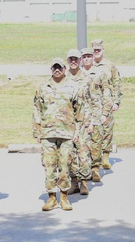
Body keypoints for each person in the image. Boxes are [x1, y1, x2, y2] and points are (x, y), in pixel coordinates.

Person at [33, 58, 86, 211]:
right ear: (51, 69)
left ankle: (64, 197)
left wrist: (78, 132)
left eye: (60, 68)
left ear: (64, 69)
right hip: (47, 134)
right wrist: (37, 131)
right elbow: (37, 110)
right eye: (54, 68)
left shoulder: (73, 87)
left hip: (67, 133)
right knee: (49, 166)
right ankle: (51, 198)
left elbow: (80, 111)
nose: (57, 70)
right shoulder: (43, 87)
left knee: (64, 166)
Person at [63, 49, 96, 196]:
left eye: (76, 59)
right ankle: (74, 182)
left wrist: (92, 121)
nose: (74, 61)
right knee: (69, 153)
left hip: (84, 121)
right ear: (67, 61)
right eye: (71, 59)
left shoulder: (87, 78)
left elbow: (93, 100)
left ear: (80, 60)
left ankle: (84, 182)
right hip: (68, 122)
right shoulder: (63, 78)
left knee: (83, 153)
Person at [82, 47, 113, 182]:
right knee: (83, 143)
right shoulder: (77, 74)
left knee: (96, 142)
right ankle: (84, 170)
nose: (87, 58)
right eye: (84, 57)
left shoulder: (100, 73)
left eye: (89, 56)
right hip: (82, 114)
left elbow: (107, 93)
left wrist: (105, 113)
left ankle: (95, 169)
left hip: (97, 113)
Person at [91, 39, 121, 168]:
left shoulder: (110, 66)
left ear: (103, 50)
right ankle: (93, 158)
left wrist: (116, 101)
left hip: (107, 102)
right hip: (93, 103)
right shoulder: (87, 64)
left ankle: (106, 156)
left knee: (107, 129)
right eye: (94, 50)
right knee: (93, 130)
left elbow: (116, 83)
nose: (96, 52)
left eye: (98, 50)